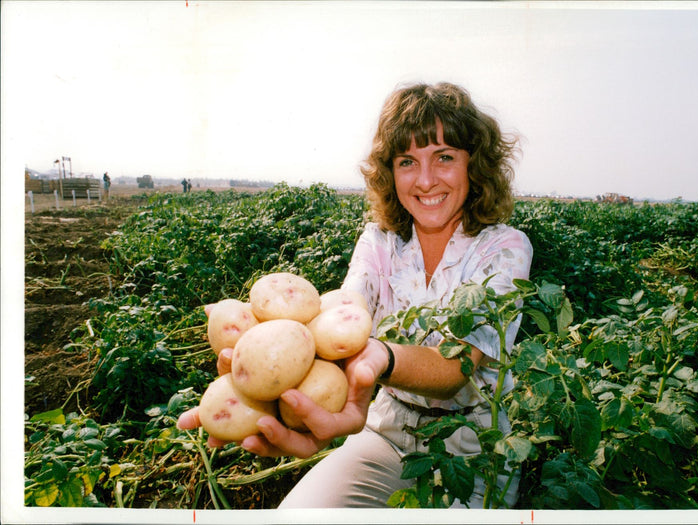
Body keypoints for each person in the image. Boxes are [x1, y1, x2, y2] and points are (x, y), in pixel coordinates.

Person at [178, 82, 533, 508]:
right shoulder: (380, 241)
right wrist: (271, 376)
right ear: (390, 172)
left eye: (444, 157)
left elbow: (456, 368)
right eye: (407, 161)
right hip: (385, 435)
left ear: (474, 165)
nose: (425, 180)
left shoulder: (505, 249)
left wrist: (381, 356)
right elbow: (344, 313)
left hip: (474, 453)